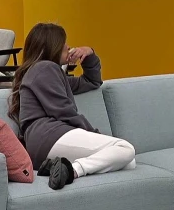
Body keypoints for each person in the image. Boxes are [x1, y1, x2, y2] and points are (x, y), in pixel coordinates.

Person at [8, 23, 136, 190]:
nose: (68, 47)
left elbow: (92, 81)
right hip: (49, 136)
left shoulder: (45, 72)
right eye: (63, 42)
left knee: (129, 163)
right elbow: (64, 112)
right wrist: (93, 133)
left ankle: (57, 166)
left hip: (42, 145)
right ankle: (72, 170)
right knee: (125, 149)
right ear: (51, 46)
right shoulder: (45, 68)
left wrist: (89, 54)